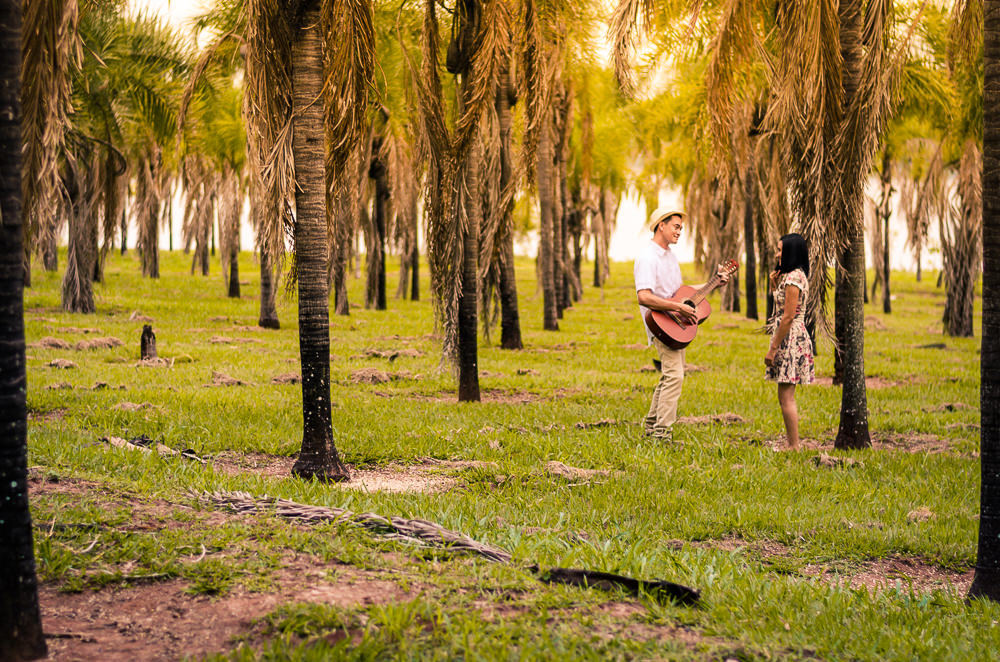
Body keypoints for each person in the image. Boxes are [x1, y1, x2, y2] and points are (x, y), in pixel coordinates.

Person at [634, 207, 728, 442]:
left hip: (674, 324)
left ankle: (652, 426)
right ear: (661, 225)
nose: (680, 231)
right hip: (661, 324)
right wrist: (677, 308)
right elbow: (643, 296)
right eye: (676, 226)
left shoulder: (670, 257)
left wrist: (713, 283)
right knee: (675, 376)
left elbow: (680, 293)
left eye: (681, 227)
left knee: (670, 376)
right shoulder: (647, 257)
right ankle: (662, 433)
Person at [765, 232, 814, 450]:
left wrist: (773, 349)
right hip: (789, 335)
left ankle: (794, 446)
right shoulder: (793, 276)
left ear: (791, 253)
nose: (777, 254)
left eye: (780, 250)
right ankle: (792, 444)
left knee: (786, 397)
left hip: (790, 337)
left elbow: (787, 316)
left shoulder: (794, 279)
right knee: (785, 396)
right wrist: (774, 285)